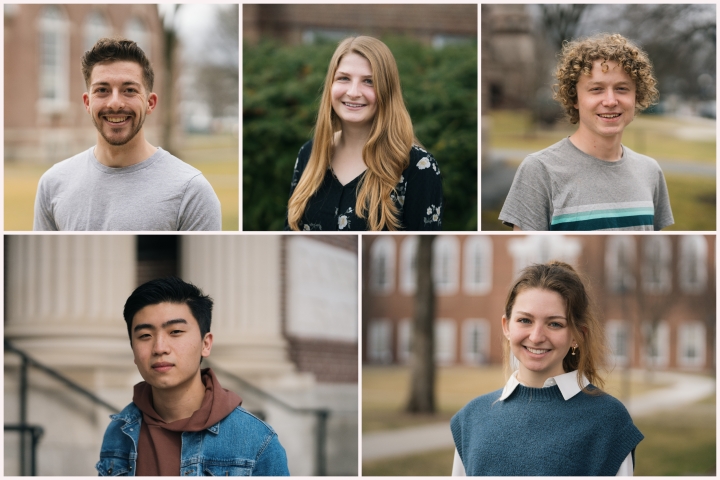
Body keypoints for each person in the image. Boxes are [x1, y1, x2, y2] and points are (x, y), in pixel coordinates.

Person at [450, 261, 643, 476]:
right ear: (506, 326)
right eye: (525, 320)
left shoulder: (608, 421)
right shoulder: (471, 418)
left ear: (577, 336)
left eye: (554, 324)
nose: (536, 337)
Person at [96, 277, 289, 476]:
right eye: (145, 335)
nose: (160, 348)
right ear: (133, 351)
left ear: (206, 344)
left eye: (176, 331)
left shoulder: (257, 442)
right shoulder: (119, 432)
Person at [34, 38, 221, 231]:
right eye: (102, 90)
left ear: (150, 103)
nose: (115, 103)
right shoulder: (52, 184)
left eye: (129, 90)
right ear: (87, 102)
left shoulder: (191, 192)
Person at [499, 33, 673, 231]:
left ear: (636, 96)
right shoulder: (540, 170)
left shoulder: (650, 171)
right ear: (575, 98)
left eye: (622, 88)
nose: (610, 101)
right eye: (596, 89)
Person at [286, 36, 443, 231]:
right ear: (331, 85)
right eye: (344, 78)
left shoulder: (418, 167)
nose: (353, 92)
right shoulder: (309, 153)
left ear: (387, 90)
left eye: (369, 81)